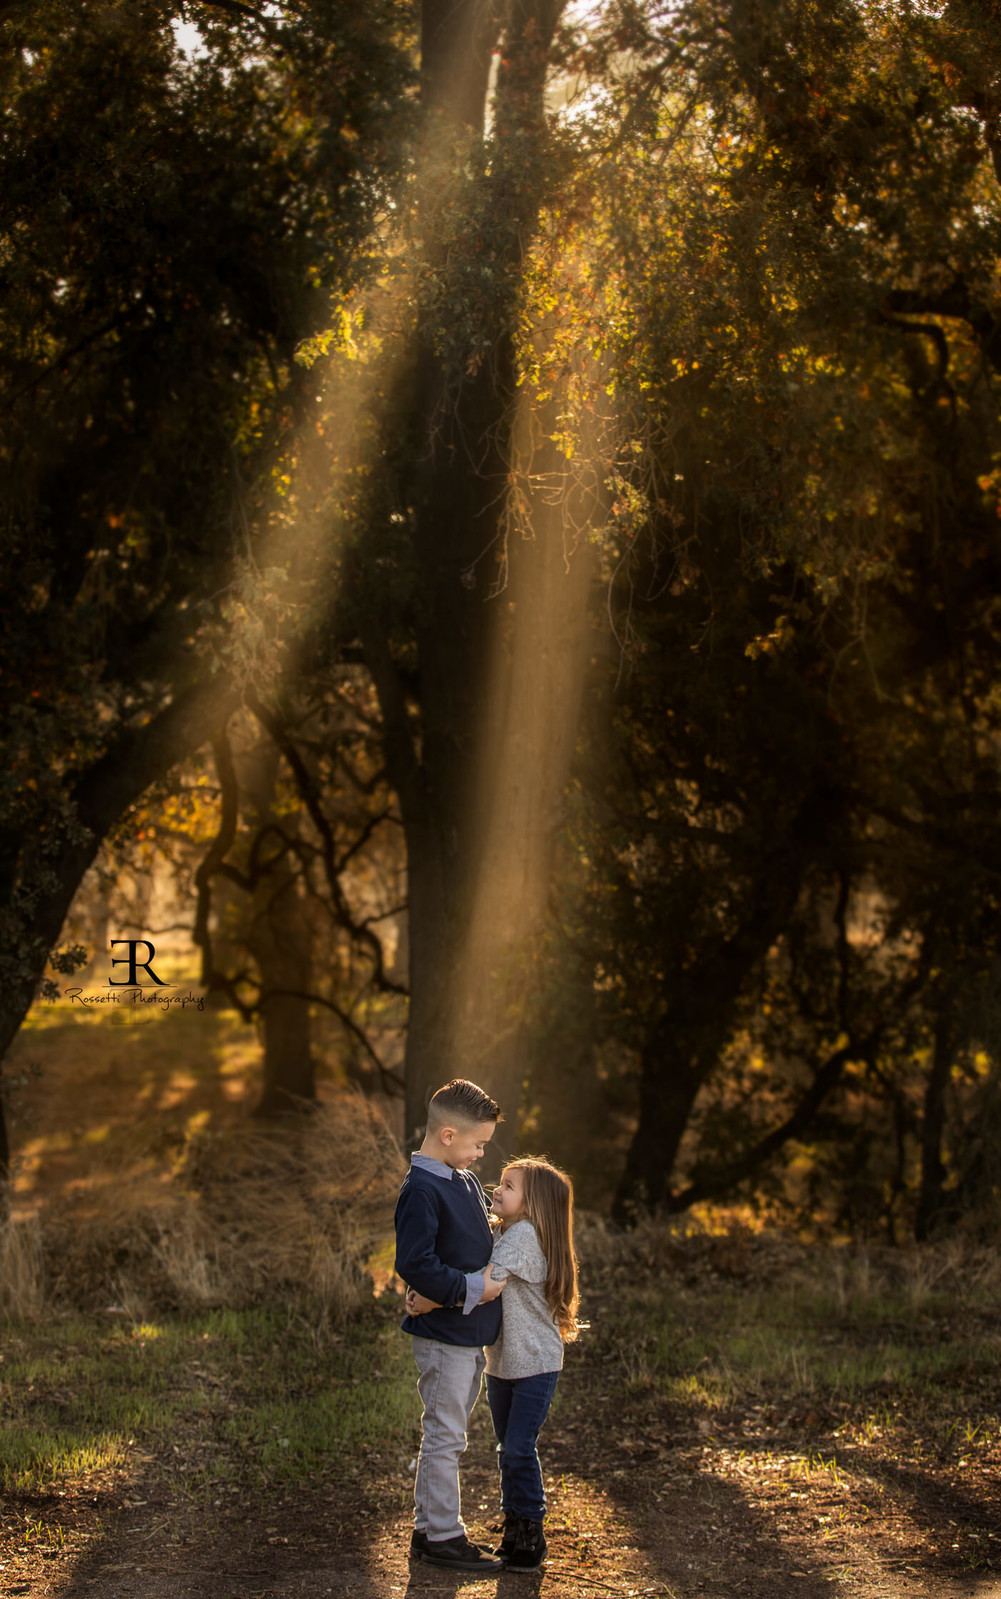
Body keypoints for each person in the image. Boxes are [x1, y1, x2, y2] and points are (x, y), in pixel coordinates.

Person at [408, 1155, 580, 1574]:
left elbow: (486, 1285)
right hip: (504, 1363)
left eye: (508, 1186)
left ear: (532, 1203)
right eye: (499, 1183)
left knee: (518, 1448)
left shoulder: (523, 1236)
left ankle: (530, 1534)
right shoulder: (506, 1230)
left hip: (534, 1363)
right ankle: (513, 1529)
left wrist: (428, 1298)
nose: (495, 1190)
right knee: (509, 1449)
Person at [394, 1077, 507, 1573]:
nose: (480, 1153)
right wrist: (471, 1289)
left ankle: (426, 1529)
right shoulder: (421, 1189)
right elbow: (415, 1264)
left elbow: (479, 1230)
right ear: (446, 1136)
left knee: (444, 1431)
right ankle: (443, 1535)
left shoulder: (460, 1179)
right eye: (477, 1144)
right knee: (446, 1435)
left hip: (465, 1334)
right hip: (445, 1339)